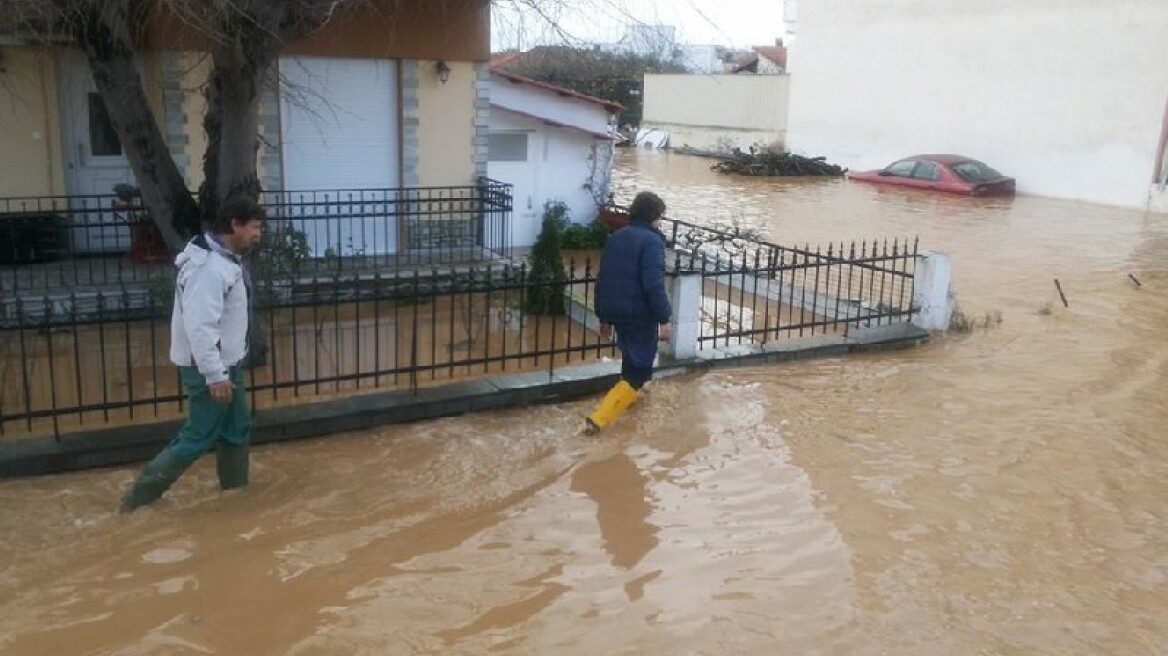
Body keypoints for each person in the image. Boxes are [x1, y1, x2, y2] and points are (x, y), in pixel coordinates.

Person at [121, 196, 266, 511]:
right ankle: (136, 503)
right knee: (198, 436)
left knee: (236, 429)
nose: (258, 234)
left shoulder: (222, 259)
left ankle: (235, 494)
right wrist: (215, 375)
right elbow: (200, 327)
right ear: (235, 225)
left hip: (226, 364)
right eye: (254, 227)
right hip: (210, 369)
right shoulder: (209, 269)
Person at [585, 191, 673, 434]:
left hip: (616, 311)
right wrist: (664, 319)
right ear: (654, 215)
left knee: (630, 360)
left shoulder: (616, 237)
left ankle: (630, 399)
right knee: (640, 368)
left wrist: (604, 317)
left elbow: (604, 279)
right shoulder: (652, 242)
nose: (661, 221)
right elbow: (653, 284)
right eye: (661, 216)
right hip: (637, 314)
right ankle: (597, 421)